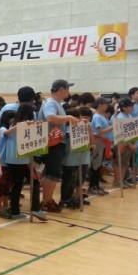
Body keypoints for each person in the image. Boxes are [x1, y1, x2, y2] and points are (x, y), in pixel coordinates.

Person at [39, 79, 80, 212]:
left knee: (54, 174)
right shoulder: (51, 103)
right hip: (53, 143)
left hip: (57, 142)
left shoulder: (56, 103)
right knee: (53, 173)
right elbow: (50, 118)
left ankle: (48, 200)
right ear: (62, 89)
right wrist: (69, 117)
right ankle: (45, 202)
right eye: (68, 89)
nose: (69, 92)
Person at [4, 103, 48, 221]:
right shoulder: (19, 125)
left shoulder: (14, 124)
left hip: (12, 160)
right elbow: (6, 133)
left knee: (17, 185)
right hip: (22, 161)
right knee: (35, 182)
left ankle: (15, 211)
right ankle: (35, 209)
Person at [88, 98, 112, 196]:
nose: (107, 106)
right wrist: (112, 128)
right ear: (100, 105)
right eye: (105, 104)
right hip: (98, 141)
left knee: (99, 164)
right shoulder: (97, 117)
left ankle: (96, 185)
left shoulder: (102, 116)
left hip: (102, 142)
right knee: (95, 164)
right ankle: (92, 186)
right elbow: (100, 132)